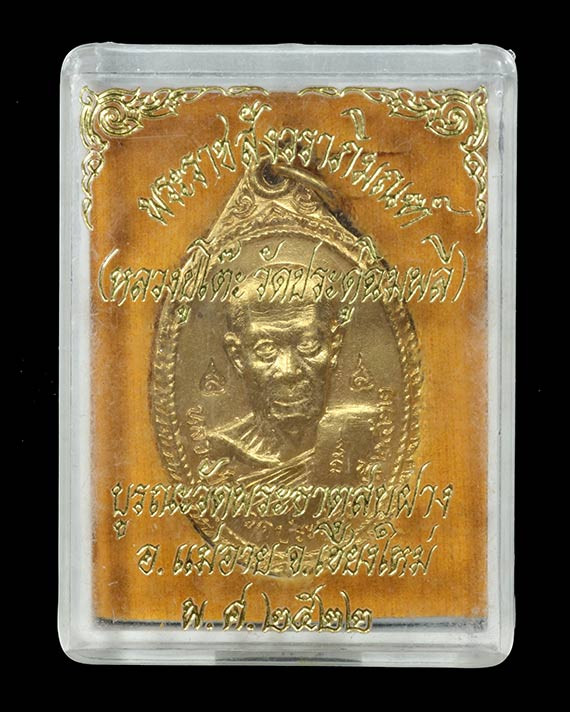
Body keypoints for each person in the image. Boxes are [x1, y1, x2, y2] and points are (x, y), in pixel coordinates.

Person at [207, 269, 376, 488]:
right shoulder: (218, 454)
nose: (289, 370)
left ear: (334, 346)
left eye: (307, 345)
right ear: (237, 356)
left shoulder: (370, 435)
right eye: (266, 349)